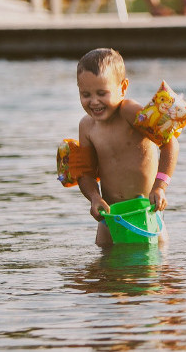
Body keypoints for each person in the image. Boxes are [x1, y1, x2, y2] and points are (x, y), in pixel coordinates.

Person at [75, 48, 178, 247]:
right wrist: (94, 197)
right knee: (104, 268)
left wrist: (160, 187)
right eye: (85, 94)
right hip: (110, 216)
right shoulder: (86, 126)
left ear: (122, 88)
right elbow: (85, 172)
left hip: (145, 211)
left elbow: (170, 144)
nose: (94, 101)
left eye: (102, 93)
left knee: (157, 264)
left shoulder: (130, 112)